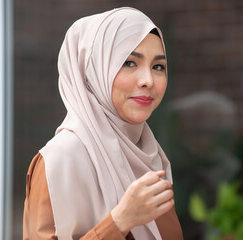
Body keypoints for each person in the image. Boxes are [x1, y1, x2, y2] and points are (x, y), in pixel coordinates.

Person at [23, 7, 183, 240]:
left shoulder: (150, 155)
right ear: (93, 72)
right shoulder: (61, 159)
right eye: (129, 63)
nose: (148, 80)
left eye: (158, 66)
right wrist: (120, 221)